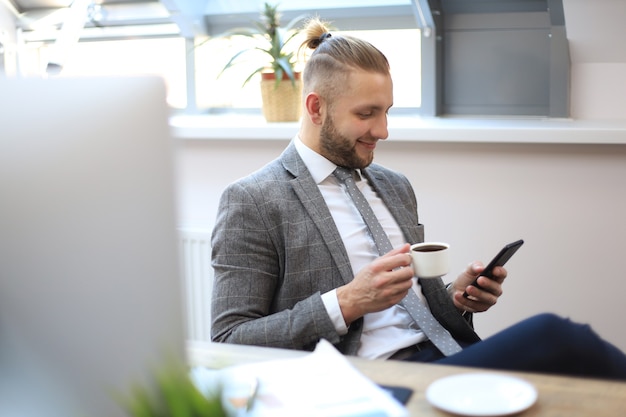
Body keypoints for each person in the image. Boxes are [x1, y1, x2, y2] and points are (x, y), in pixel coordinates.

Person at [210, 17, 626, 380]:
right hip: (361, 377)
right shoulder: (253, 200)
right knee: (557, 336)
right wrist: (347, 301)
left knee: (562, 375)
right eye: (366, 113)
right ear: (316, 108)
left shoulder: (394, 186)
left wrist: (457, 298)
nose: (384, 130)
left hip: (443, 354)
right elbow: (229, 339)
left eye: (388, 111)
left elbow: (411, 309)